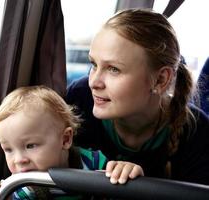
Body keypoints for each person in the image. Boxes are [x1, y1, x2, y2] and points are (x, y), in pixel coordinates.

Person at [66, 8, 209, 185]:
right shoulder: (79, 99)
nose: (94, 82)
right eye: (94, 64)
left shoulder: (198, 135)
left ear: (160, 80)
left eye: (113, 69)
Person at [0, 85, 144, 200]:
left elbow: (119, 192)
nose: (18, 160)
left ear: (65, 139)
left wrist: (125, 174)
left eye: (30, 146)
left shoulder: (95, 163)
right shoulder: (24, 188)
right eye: (8, 149)